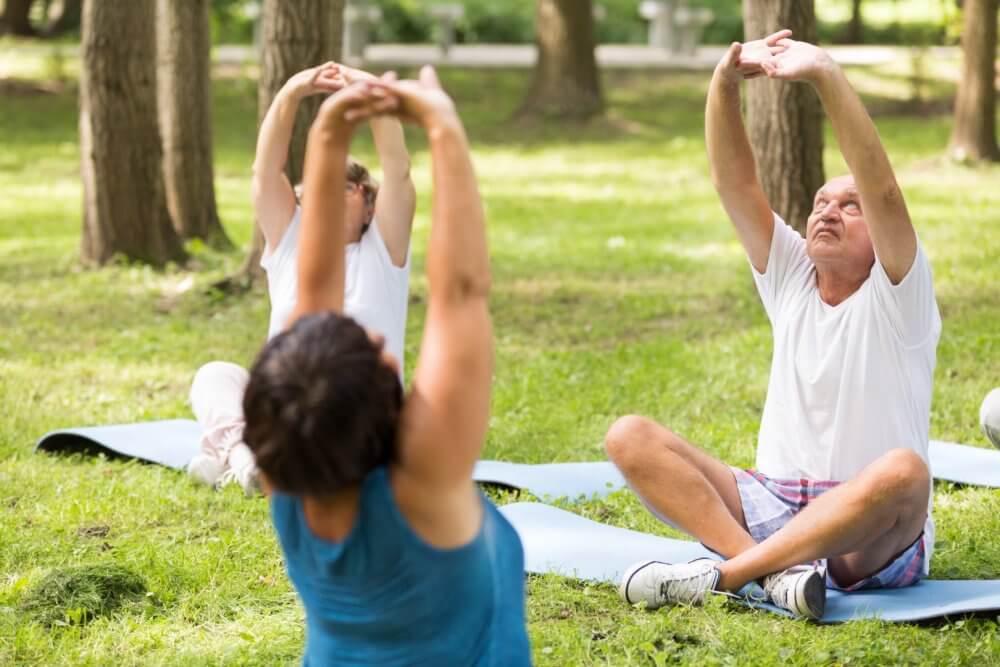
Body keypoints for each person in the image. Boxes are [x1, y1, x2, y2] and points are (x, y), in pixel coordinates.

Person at [608, 32, 941, 620]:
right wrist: (725, 81)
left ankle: (732, 575)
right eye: (819, 203)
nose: (827, 212)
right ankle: (775, 574)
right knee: (628, 436)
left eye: (849, 205)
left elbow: (884, 187)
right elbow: (733, 182)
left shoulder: (899, 296)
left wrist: (826, 76)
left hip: (867, 530)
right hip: (774, 500)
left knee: (906, 472)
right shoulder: (790, 274)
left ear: (881, 232)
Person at [239, 67, 531, 664]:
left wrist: (328, 135)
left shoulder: (288, 478)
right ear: (384, 379)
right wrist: (443, 128)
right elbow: (461, 293)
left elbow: (316, 287)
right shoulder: (427, 483)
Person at [187, 63, 416, 494]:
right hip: (289, 411)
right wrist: (290, 93)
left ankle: (234, 461)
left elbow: (398, 169)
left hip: (360, 416)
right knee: (214, 376)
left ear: (370, 206)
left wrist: (372, 94)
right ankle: (244, 458)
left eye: (344, 187)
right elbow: (265, 171)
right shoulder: (290, 241)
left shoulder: (382, 253)